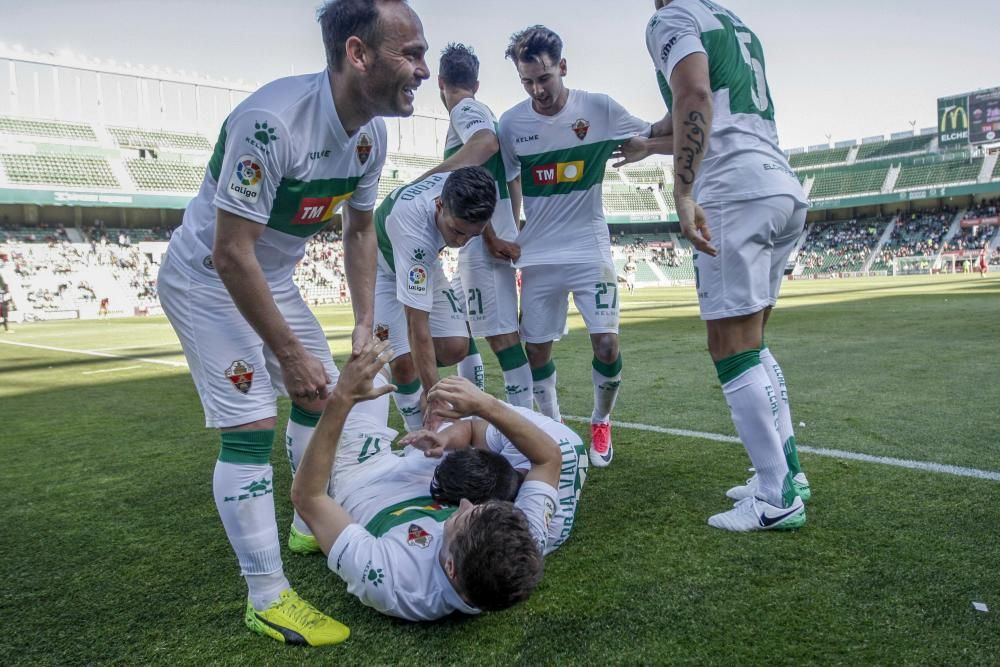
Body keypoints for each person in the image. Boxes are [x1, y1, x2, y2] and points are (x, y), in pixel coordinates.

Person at [155, 0, 429, 645]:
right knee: (251, 423)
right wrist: (288, 351)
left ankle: (307, 518)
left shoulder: (371, 134)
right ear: (358, 53)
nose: (422, 68)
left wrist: (365, 323)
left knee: (322, 391)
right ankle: (267, 596)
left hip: (266, 276)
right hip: (207, 277)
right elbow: (229, 253)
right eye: (410, 53)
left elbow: (360, 229)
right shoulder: (272, 124)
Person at [617, 0, 810, 531]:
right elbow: (702, 109)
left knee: (730, 347)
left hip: (732, 191)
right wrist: (647, 142)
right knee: (754, 345)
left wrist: (681, 191)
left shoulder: (670, 18)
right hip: (776, 183)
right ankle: (787, 472)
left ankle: (776, 496)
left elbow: (694, 94)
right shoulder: (730, 20)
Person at [291, 338, 561, 621]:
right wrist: (485, 406)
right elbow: (549, 458)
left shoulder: (394, 581)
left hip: (362, 474)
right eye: (478, 507)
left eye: (460, 519)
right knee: (379, 354)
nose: (465, 504)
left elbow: (308, 497)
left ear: (451, 567)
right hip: (427, 463)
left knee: (320, 378)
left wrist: (342, 399)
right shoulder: (522, 544)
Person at [498, 25, 668, 469]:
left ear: (563, 67)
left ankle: (600, 421)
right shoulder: (512, 123)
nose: (538, 90)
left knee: (607, 344)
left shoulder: (599, 109)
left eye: (544, 78)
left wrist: (648, 146)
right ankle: (552, 429)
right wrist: (513, 227)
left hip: (589, 250)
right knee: (537, 350)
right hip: (537, 256)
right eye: (528, 82)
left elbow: (657, 133)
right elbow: (509, 175)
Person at [419, 43, 534, 410]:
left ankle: (526, 424)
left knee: (503, 337)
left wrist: (490, 233)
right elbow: (512, 179)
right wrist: (507, 227)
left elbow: (483, 149)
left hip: (482, 244)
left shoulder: (466, 110)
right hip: (482, 241)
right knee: (463, 327)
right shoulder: (487, 112)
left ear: (440, 82)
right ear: (477, 82)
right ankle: (474, 409)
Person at [373, 167, 496, 432]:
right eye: (457, 231)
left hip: (425, 261)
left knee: (454, 347)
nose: (462, 242)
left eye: (472, 234)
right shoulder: (414, 232)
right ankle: (419, 430)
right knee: (402, 362)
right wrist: (434, 397)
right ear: (439, 205)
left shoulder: (464, 189)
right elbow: (417, 325)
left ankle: (422, 381)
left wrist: (491, 237)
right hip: (380, 270)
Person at [405, 400, 588, 555]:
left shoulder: (532, 533)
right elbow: (470, 428)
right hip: (538, 432)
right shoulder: (514, 437)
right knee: (439, 436)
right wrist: (442, 439)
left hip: (549, 441)